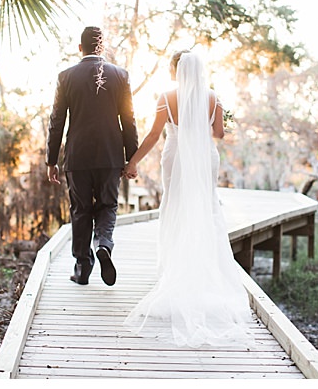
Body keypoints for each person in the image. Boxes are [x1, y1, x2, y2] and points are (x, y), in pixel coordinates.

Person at [122, 51, 253, 348]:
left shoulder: (166, 96)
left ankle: (173, 272)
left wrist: (133, 162)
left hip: (176, 156)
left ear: (177, 70)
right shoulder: (213, 97)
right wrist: (211, 120)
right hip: (205, 157)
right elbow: (218, 133)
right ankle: (205, 276)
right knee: (205, 210)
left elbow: (155, 135)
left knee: (176, 208)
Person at [46, 26, 138, 286]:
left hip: (78, 157)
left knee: (81, 210)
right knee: (107, 205)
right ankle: (104, 244)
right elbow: (129, 120)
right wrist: (132, 158)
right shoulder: (120, 75)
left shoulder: (66, 77)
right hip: (111, 155)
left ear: (80, 48)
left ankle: (82, 268)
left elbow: (57, 121)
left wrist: (51, 160)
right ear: (103, 47)